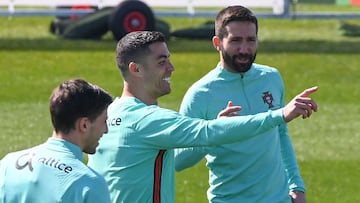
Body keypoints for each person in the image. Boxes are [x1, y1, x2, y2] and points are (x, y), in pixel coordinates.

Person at [87, 31, 318, 203]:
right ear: (136, 69)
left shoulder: (108, 113)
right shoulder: (148, 120)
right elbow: (207, 133)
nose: (171, 68)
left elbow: (200, 140)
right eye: (162, 62)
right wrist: (279, 115)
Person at [174, 5, 310, 203]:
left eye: (251, 40)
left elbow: (280, 134)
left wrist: (296, 187)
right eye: (236, 40)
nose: (244, 49)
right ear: (217, 43)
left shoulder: (271, 77)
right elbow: (178, 161)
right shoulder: (200, 94)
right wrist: (213, 132)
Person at [0, 79, 113, 203]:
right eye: (104, 121)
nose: (106, 130)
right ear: (84, 125)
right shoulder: (89, 184)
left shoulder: (7, 164)